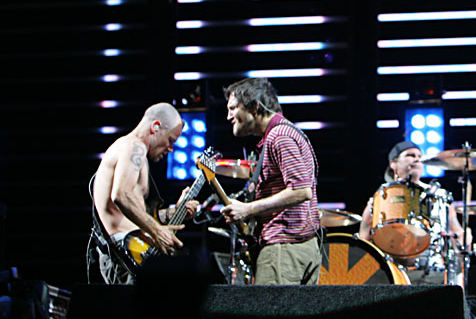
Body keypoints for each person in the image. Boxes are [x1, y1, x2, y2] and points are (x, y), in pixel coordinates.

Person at [220, 78, 321, 285]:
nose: (228, 116)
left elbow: (302, 191)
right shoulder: (284, 133)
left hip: (283, 250)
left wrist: (248, 209)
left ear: (254, 107)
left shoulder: (279, 136)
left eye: (233, 108)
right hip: (297, 248)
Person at [92, 102, 199, 284]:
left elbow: (133, 213)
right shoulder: (134, 146)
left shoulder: (136, 152)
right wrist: (157, 231)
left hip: (132, 250)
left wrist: (173, 212)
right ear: (155, 127)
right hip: (123, 254)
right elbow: (121, 195)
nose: (171, 149)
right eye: (170, 140)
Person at [358, 141, 470, 285]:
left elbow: (456, 231)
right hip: (392, 272)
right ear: (393, 164)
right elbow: (364, 237)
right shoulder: (380, 196)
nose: (417, 159)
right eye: (410, 155)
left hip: (433, 270)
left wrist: (463, 238)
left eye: (419, 156)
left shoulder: (439, 195)